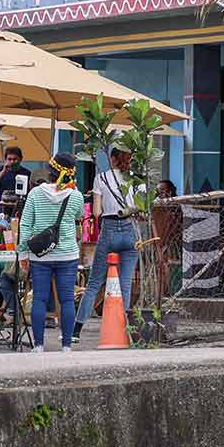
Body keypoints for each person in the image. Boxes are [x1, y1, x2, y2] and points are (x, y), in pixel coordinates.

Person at [18, 152, 84, 353]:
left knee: (39, 298)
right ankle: (66, 346)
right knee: (66, 300)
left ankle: (38, 345)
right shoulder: (76, 195)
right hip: (67, 255)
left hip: (41, 256)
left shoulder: (35, 194)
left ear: (49, 171)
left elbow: (25, 225)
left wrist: (23, 254)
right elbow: (79, 215)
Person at [75, 146, 142, 344]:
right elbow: (142, 207)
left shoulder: (101, 178)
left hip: (109, 229)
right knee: (125, 283)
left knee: (94, 283)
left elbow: (96, 212)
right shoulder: (136, 180)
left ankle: (76, 330)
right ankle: (123, 330)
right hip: (131, 230)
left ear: (112, 159)